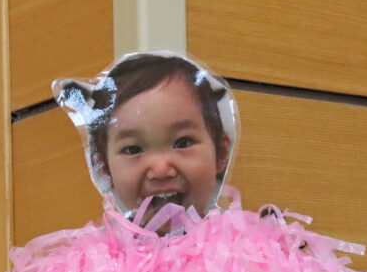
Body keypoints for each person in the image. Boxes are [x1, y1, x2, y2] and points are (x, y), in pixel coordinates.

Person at [56, 53, 236, 221]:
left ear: (220, 152)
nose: (161, 170)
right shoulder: (89, 246)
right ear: (104, 168)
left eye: (183, 143)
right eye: (133, 149)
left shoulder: (242, 243)